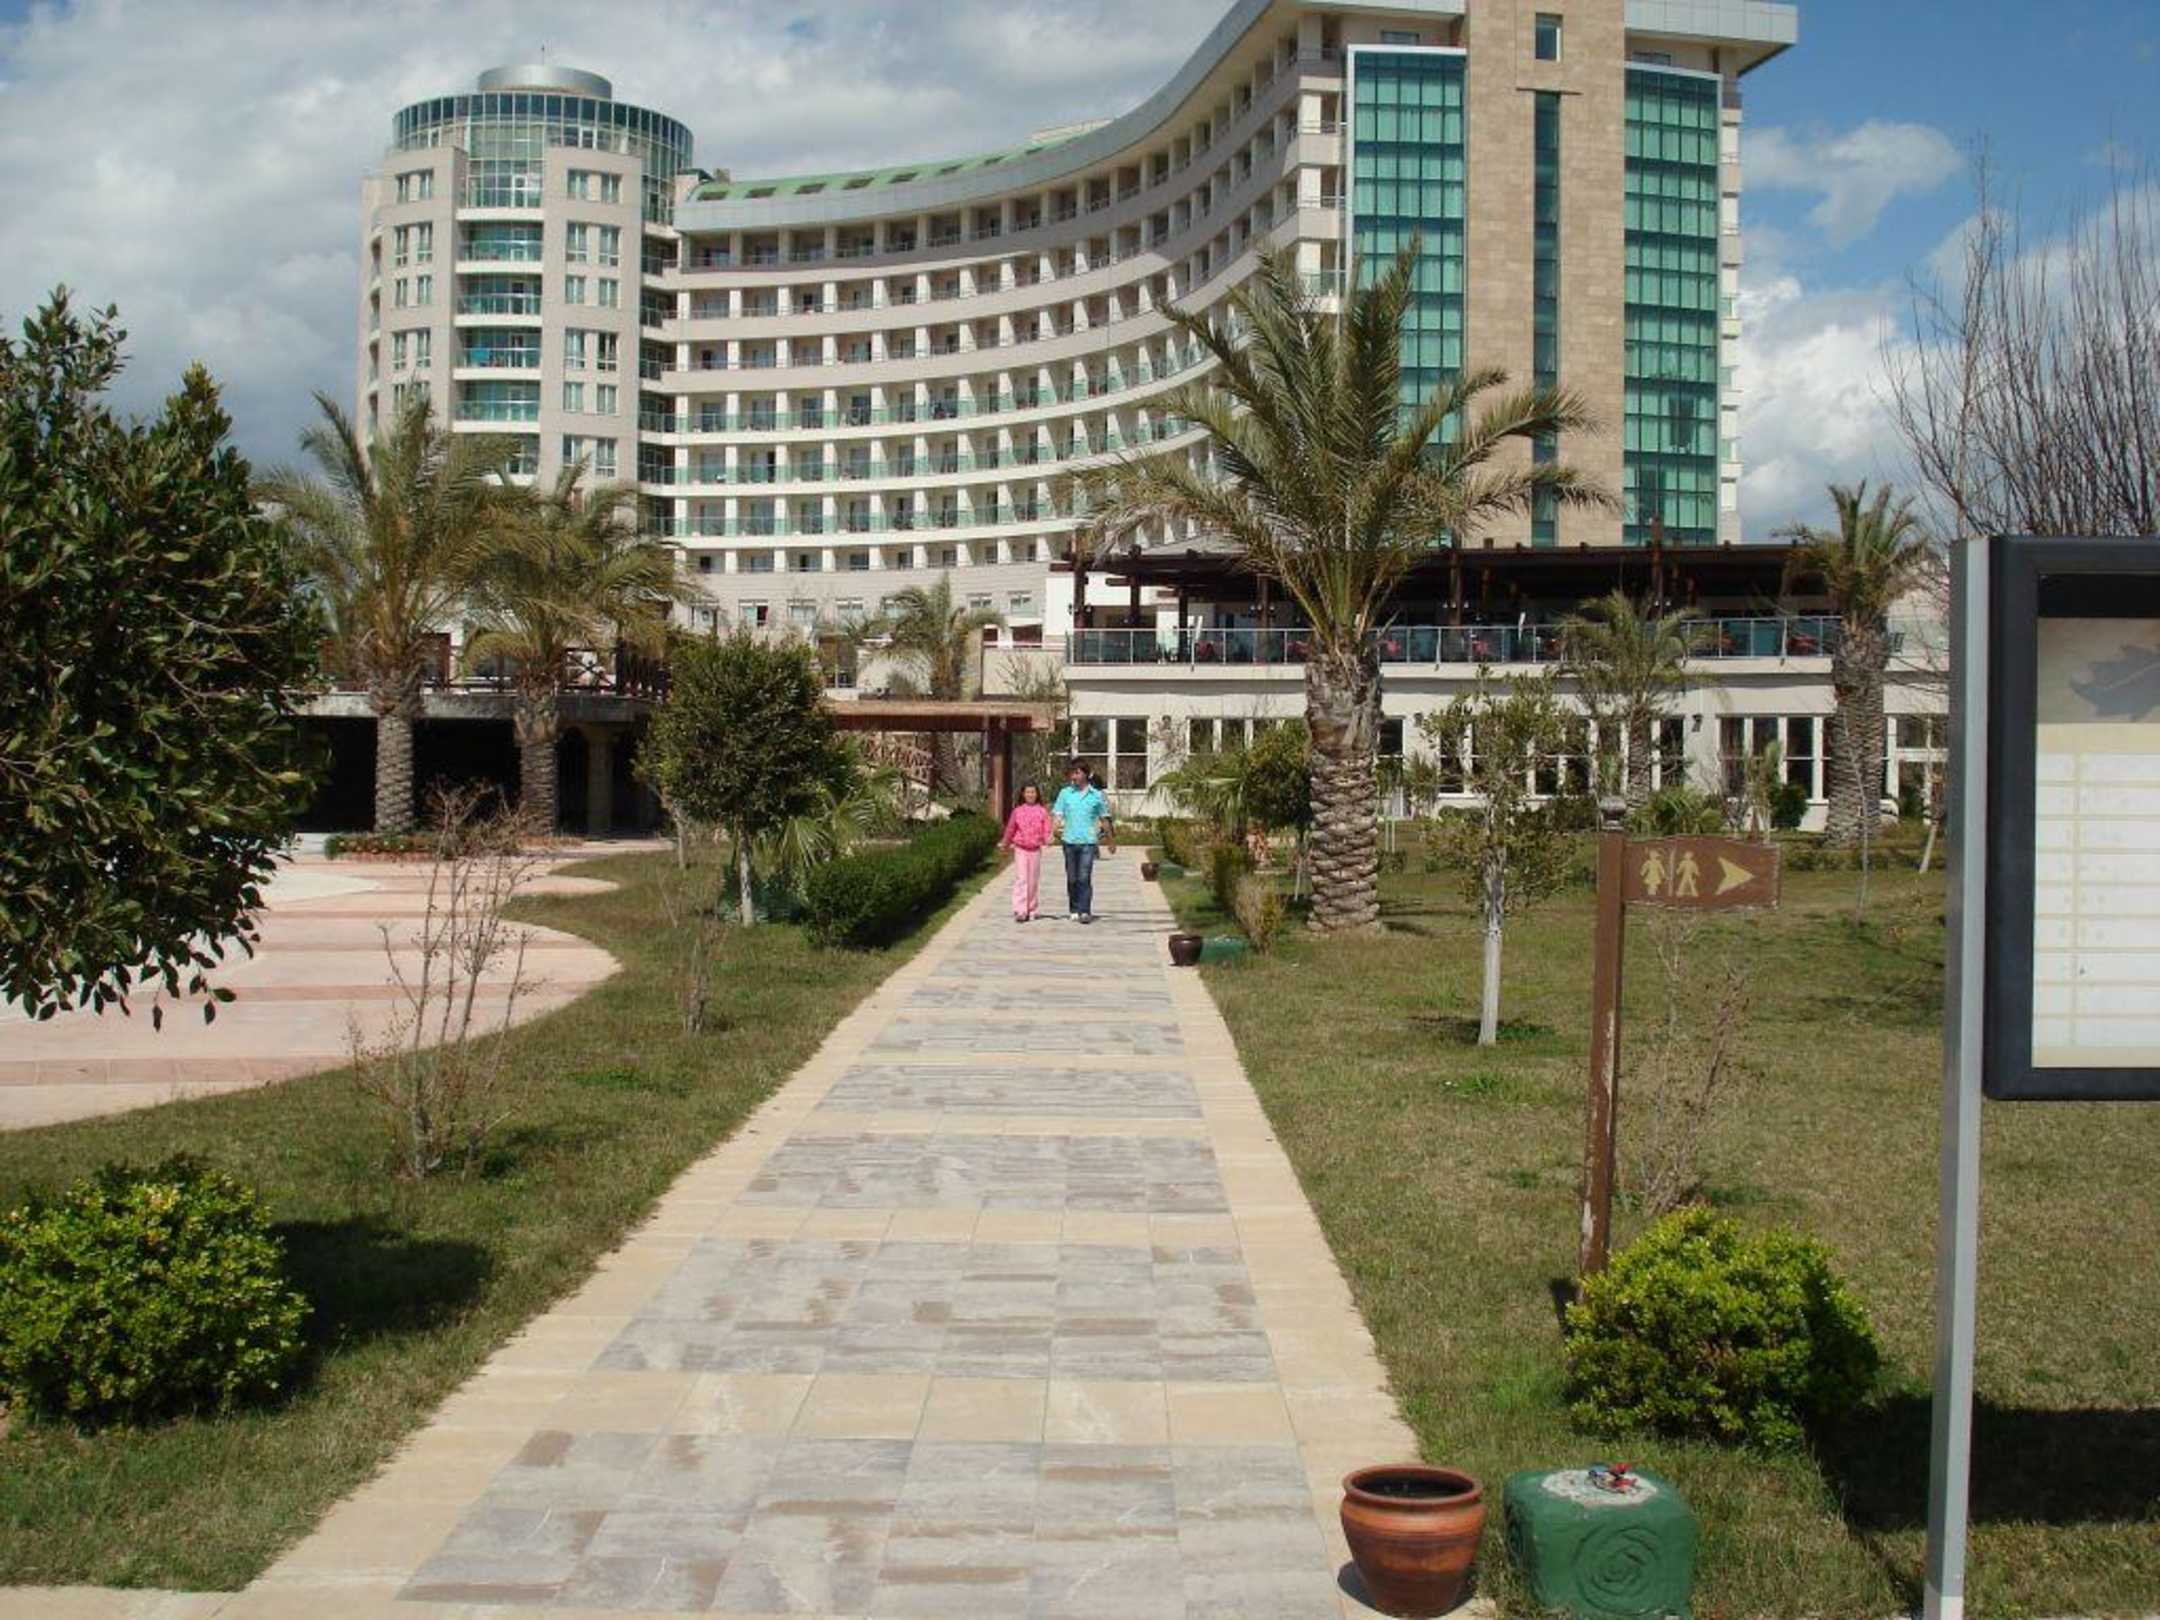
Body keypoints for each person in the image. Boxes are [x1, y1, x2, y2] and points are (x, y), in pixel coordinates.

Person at [1050, 758, 1114, 924]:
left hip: (1088, 843)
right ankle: (1074, 909)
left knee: (1084, 877)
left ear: (1086, 774)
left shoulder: (1097, 795)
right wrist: (1052, 832)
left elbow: (1104, 819)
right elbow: (1058, 815)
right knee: (1072, 878)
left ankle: (1085, 910)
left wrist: (1110, 840)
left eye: (1077, 773)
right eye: (1072, 773)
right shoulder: (1065, 793)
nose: (1074, 776)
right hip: (1069, 842)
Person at [999, 783, 1053, 923]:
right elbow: (1010, 829)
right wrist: (1005, 843)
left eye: (1033, 792)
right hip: (1021, 849)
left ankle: (1031, 908)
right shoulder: (1017, 811)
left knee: (1032, 881)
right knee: (1022, 879)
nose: (1030, 795)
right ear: (1023, 794)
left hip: (1035, 850)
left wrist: (1048, 838)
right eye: (1028, 792)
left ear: (1037, 794)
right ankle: (1020, 910)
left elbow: (1047, 828)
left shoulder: (1042, 811)